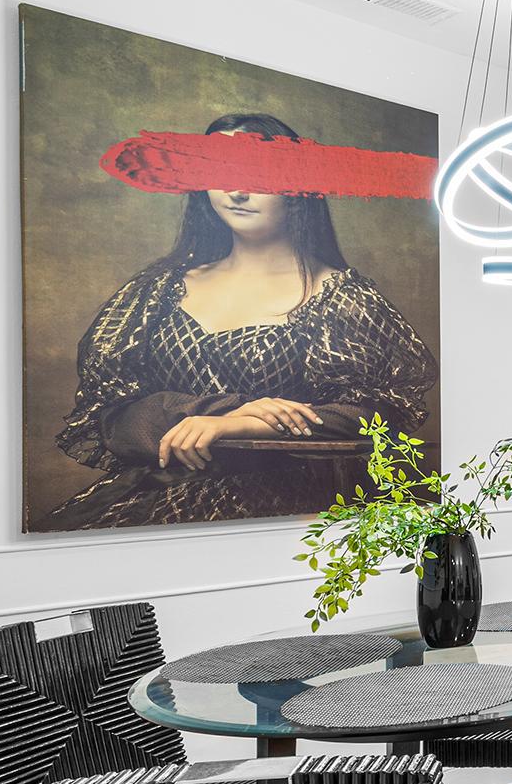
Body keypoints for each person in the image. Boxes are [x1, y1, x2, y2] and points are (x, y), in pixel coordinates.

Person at [51, 113, 437, 530]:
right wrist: (219, 411)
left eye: (258, 174)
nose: (236, 190)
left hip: (282, 504)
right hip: (151, 494)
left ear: (297, 189)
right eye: (220, 171)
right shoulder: (157, 290)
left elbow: (374, 416)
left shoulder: (342, 297)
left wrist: (239, 425)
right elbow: (116, 420)